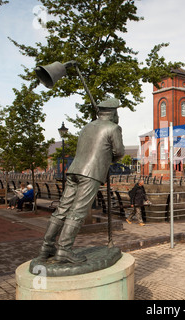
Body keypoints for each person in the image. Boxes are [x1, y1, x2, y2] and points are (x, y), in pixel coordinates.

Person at [35, 98, 124, 264]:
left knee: (62, 209)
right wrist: (109, 156)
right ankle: (64, 249)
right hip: (91, 173)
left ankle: (46, 246)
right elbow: (119, 152)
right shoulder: (113, 128)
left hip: (74, 171)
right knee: (78, 211)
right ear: (113, 113)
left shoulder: (87, 127)